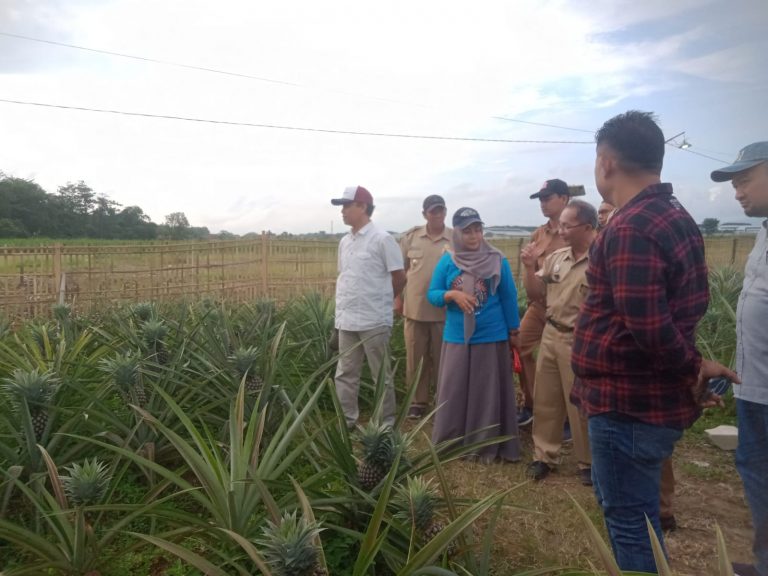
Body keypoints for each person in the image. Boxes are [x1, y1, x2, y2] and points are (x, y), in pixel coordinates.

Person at [569, 110, 735, 573]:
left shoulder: (631, 227)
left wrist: (693, 367)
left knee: (629, 524)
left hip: (628, 407)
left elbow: (651, 329)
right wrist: (694, 364)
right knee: (638, 518)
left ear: (605, 162)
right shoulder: (672, 215)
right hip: (638, 404)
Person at [711, 141, 768, 576]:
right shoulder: (764, 229)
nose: (737, 192)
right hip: (754, 387)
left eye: (745, 180)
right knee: (756, 474)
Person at [428, 207, 521, 463]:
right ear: (457, 233)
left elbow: (508, 297)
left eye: (477, 229)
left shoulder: (497, 259)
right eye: (467, 231)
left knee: (485, 393)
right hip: (457, 336)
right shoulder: (448, 260)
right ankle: (451, 442)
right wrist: (451, 295)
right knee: (453, 389)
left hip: (490, 336)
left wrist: (514, 331)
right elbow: (432, 294)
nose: (473, 236)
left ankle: (483, 444)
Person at [522, 199, 596, 485]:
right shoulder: (557, 258)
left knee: (579, 403)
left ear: (587, 227)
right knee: (546, 399)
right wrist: (530, 268)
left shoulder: (601, 259)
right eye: (560, 224)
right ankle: (544, 456)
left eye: (567, 225)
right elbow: (537, 294)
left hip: (579, 339)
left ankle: (587, 462)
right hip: (551, 334)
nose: (561, 230)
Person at [331, 185, 406, 428]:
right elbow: (345, 277)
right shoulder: (345, 242)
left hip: (374, 319)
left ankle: (385, 425)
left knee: (380, 375)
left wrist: (384, 300)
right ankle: (347, 421)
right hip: (347, 319)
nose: (342, 211)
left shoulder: (382, 240)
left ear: (362, 207)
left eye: (346, 205)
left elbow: (399, 277)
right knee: (345, 373)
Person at [517, 179, 571, 426]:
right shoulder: (539, 234)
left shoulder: (576, 232)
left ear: (564, 198)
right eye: (540, 199)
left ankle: (570, 416)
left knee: (568, 360)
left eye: (548, 198)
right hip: (539, 306)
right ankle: (532, 404)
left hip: (568, 309)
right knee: (520, 343)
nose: (543, 203)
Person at [395, 194, 453, 420]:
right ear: (424, 214)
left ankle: (443, 399)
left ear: (445, 212)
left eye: (440, 210)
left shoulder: (454, 238)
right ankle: (417, 402)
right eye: (432, 211)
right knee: (415, 358)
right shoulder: (411, 238)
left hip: (444, 312)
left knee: (442, 359)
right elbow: (400, 271)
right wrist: (397, 298)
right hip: (415, 309)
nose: (437, 214)